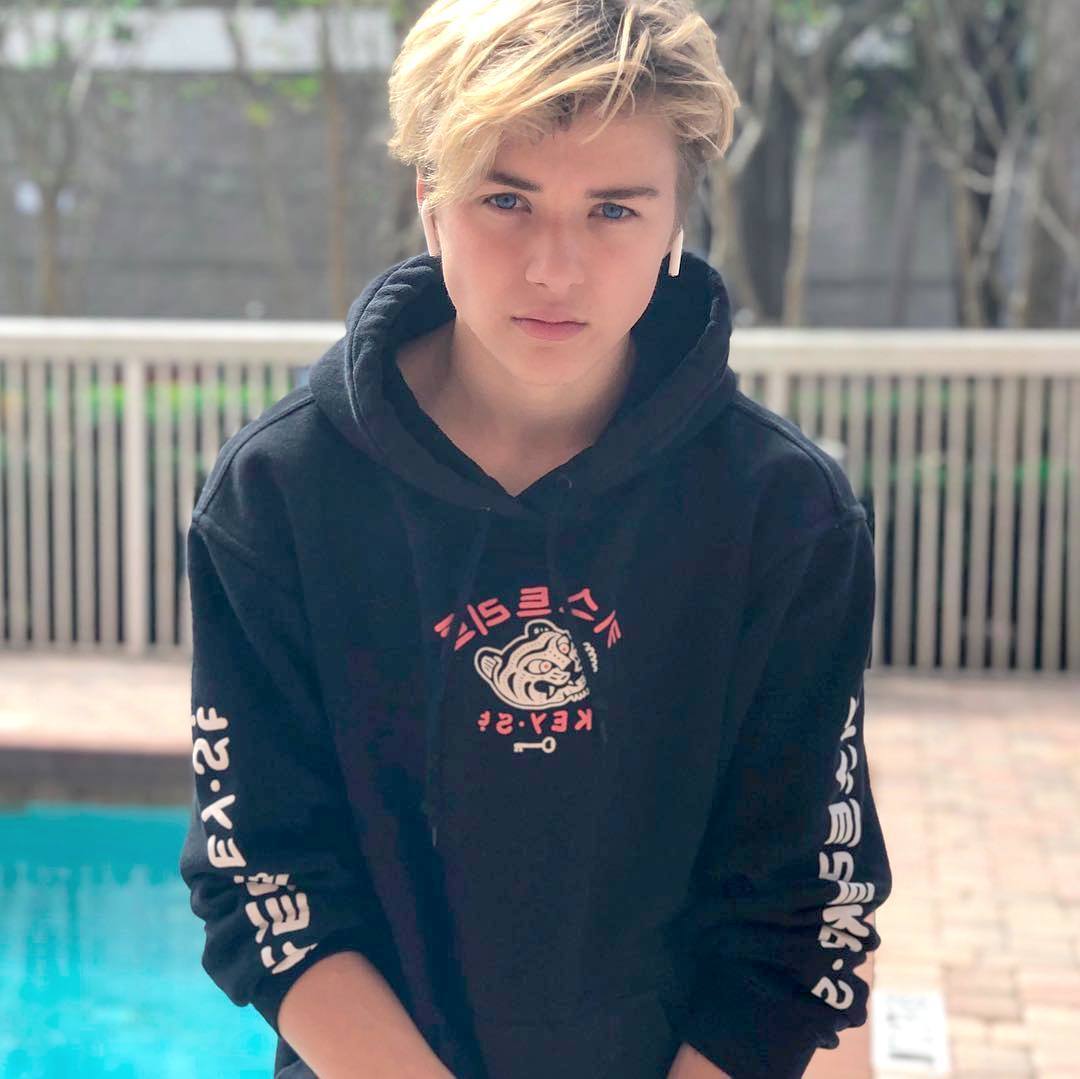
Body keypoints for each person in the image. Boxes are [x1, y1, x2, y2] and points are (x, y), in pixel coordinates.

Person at [178, 1, 892, 1077]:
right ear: (431, 204)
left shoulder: (784, 512)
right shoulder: (279, 493)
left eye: (613, 209)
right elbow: (262, 877)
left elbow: (804, 909)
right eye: (505, 199)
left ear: (675, 225)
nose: (555, 266)